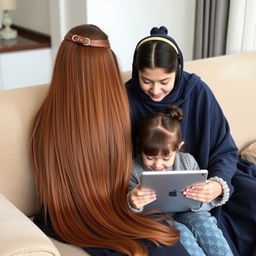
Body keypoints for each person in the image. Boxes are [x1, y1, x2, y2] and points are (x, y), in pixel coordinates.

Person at [30, 24, 191, 256]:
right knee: (164, 239)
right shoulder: (117, 112)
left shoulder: (42, 118)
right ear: (108, 67)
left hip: (71, 215)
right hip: (99, 210)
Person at [126, 26, 256, 256]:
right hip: (152, 208)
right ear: (137, 73)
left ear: (177, 71)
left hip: (206, 184)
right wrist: (133, 198)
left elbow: (225, 150)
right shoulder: (125, 98)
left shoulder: (197, 91)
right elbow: (118, 166)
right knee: (177, 238)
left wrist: (216, 186)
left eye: (165, 81)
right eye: (146, 81)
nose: (156, 90)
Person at [128, 105, 233, 256]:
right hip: (157, 219)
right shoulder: (134, 169)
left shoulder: (188, 162)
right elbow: (128, 208)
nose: (158, 165)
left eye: (166, 158)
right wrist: (133, 202)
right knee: (181, 234)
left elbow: (204, 204)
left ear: (178, 147)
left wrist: (201, 200)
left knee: (205, 223)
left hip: (190, 212)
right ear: (140, 148)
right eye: (150, 158)